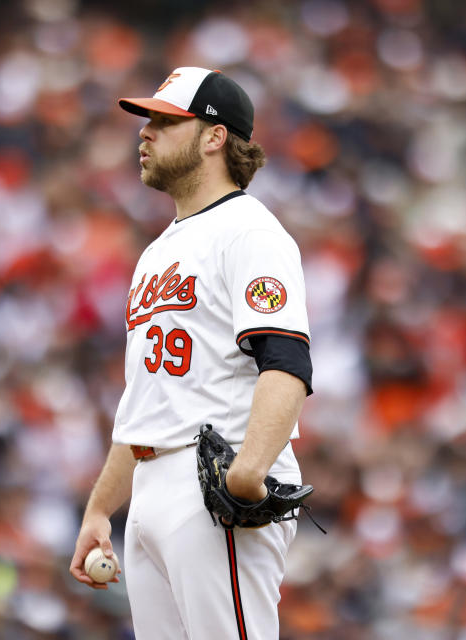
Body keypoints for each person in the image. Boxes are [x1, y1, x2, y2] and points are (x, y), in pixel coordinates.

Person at [69, 67, 313, 639]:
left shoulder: (250, 232)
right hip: (153, 487)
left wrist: (248, 471)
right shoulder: (158, 251)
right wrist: (102, 509)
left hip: (214, 476)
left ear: (213, 136)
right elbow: (148, 399)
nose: (145, 132)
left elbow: (286, 362)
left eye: (164, 120)